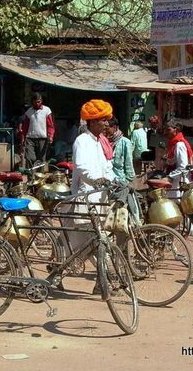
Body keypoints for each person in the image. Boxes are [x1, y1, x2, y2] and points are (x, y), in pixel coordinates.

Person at [67, 99, 115, 294]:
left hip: (100, 198)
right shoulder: (82, 141)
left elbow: (107, 167)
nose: (106, 124)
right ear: (93, 121)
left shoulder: (100, 142)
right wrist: (97, 180)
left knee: (96, 242)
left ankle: (101, 282)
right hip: (86, 197)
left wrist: (112, 179)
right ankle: (106, 280)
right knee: (95, 242)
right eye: (103, 120)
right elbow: (82, 167)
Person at [163, 119, 193, 260]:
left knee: (172, 215)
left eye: (168, 129)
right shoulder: (176, 144)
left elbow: (182, 167)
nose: (166, 132)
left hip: (179, 184)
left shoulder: (180, 145)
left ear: (176, 130)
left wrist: (169, 177)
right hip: (181, 183)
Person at [20, 93, 55, 167]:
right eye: (35, 102)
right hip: (30, 139)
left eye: (39, 101)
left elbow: (50, 125)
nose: (37, 103)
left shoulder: (47, 110)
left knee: (41, 160)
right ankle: (30, 177)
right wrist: (23, 138)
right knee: (30, 158)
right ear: (32, 101)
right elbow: (25, 127)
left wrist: (51, 135)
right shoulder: (29, 112)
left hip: (43, 139)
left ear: (41, 101)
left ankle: (39, 177)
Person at [105, 117, 135, 184]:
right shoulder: (104, 141)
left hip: (120, 181)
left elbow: (129, 162)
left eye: (107, 128)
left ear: (114, 127)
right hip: (107, 180)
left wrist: (128, 180)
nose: (105, 131)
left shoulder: (125, 142)